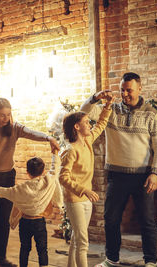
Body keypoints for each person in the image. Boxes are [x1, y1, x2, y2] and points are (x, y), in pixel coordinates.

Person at [80, 72, 157, 267]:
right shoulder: (110, 110)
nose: (125, 94)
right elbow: (84, 112)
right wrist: (96, 98)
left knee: (147, 221)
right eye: (122, 90)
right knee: (111, 219)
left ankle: (150, 262)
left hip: (143, 176)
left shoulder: (151, 113)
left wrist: (155, 173)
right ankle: (111, 259)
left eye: (129, 90)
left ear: (140, 89)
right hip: (116, 175)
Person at [0, 97, 60, 267]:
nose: (6, 119)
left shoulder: (14, 128)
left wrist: (49, 138)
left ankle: (1, 258)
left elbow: (32, 133)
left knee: (4, 220)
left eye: (8, 115)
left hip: (7, 177)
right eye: (2, 115)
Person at [59, 94, 114, 267]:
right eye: (86, 122)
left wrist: (107, 107)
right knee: (83, 242)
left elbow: (101, 124)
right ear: (77, 127)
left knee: (77, 238)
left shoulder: (87, 141)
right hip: (75, 200)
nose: (90, 124)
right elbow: (63, 177)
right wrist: (84, 190)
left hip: (85, 199)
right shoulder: (71, 150)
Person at [0, 151, 63, 267]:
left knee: (24, 248)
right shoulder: (48, 182)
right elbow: (55, 169)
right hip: (39, 223)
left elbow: (7, 192)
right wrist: (55, 154)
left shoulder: (22, 188)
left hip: (25, 222)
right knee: (42, 249)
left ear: (27, 172)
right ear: (43, 171)